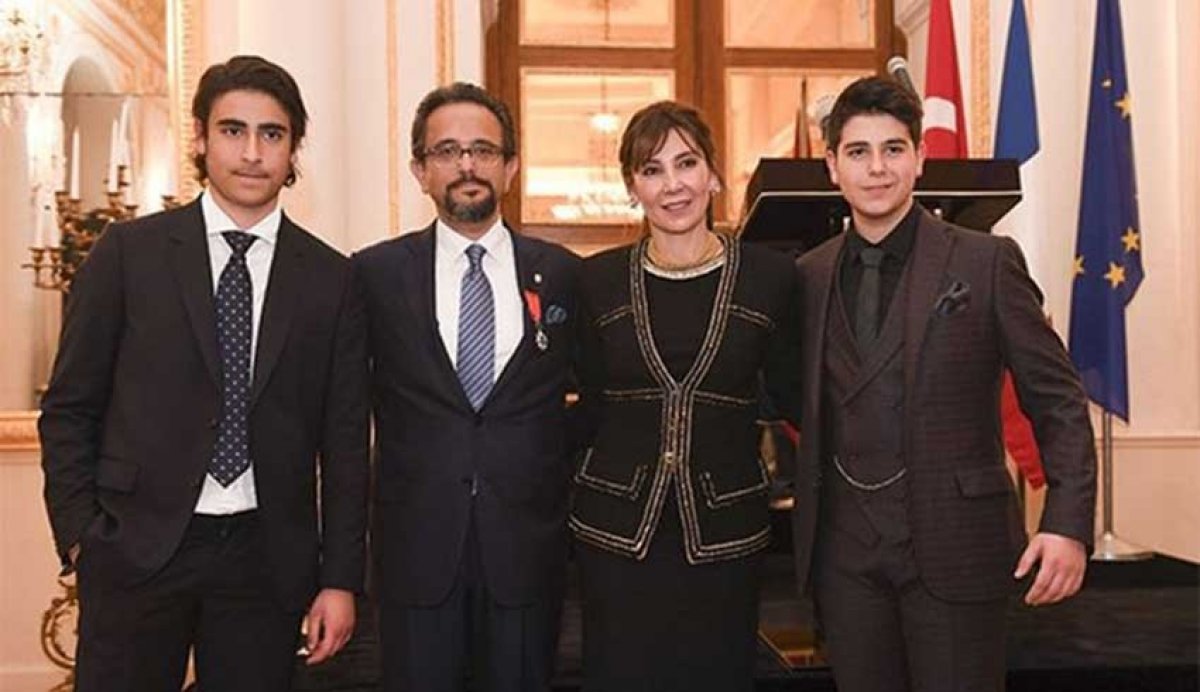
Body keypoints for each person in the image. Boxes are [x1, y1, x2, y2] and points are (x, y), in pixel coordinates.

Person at [39, 55, 370, 692]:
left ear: (294, 149)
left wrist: (339, 578)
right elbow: (70, 407)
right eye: (232, 130)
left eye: (272, 134)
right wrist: (83, 539)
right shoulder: (128, 254)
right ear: (200, 137)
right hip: (134, 550)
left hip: (266, 561)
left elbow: (346, 442)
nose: (252, 153)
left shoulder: (333, 278)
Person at [791, 75, 1097, 692]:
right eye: (858, 152)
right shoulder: (807, 275)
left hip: (958, 545)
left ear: (920, 157)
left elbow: (1058, 399)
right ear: (832, 166)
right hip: (844, 559)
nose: (877, 168)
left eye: (893, 149)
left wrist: (1066, 522)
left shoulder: (986, 262)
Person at [354, 82, 580, 692]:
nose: (467, 165)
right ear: (420, 170)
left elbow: (592, 405)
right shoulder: (373, 275)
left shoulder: (562, 274)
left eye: (483, 150)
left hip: (527, 553)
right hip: (416, 554)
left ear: (510, 166)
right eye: (447, 151)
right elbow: (346, 416)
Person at [569, 100, 801, 692]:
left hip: (726, 534)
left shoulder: (772, 278)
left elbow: (791, 397)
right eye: (652, 170)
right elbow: (585, 407)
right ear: (632, 188)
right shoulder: (594, 281)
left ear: (714, 174)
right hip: (615, 535)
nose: (673, 184)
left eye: (687, 163)